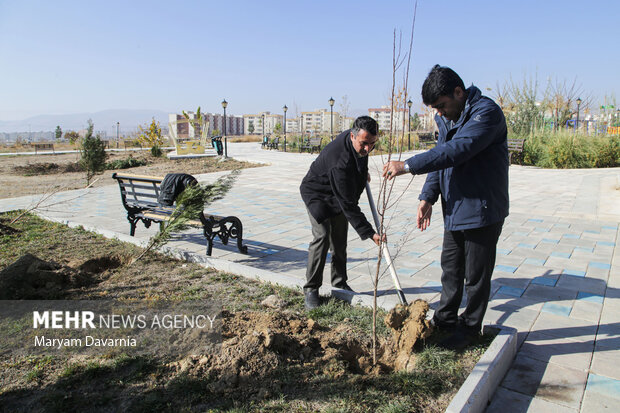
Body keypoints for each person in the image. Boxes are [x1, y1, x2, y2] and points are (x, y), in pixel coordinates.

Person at [383, 65, 509, 346]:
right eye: (434, 108)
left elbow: (456, 151)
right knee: (451, 269)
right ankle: (445, 319)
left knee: (476, 276)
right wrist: (428, 197)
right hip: (455, 208)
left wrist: (407, 165)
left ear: (458, 92)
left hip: (482, 208)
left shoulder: (485, 114)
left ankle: (470, 328)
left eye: (441, 105)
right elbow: (441, 162)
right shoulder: (448, 119)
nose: (439, 112)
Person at [300, 116, 384, 310]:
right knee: (322, 237)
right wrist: (370, 232)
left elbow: (359, 163)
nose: (367, 149)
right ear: (353, 136)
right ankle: (311, 289)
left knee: (339, 239)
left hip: (337, 191)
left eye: (372, 144)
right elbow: (348, 203)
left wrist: (362, 175)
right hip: (317, 193)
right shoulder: (340, 160)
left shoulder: (359, 140)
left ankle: (339, 283)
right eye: (364, 144)